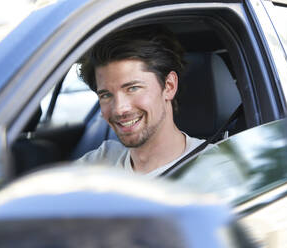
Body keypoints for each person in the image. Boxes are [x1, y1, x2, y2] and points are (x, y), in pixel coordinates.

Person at [76, 24, 206, 177]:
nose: (119, 109)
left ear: (169, 86)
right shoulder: (100, 161)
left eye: (132, 88)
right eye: (106, 95)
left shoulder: (213, 167)